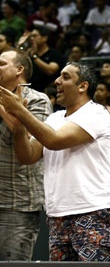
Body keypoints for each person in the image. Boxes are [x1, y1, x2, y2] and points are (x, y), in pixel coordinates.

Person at [0, 62, 110, 261]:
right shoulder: (54, 118)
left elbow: (55, 141)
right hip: (57, 214)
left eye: (65, 77)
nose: (57, 81)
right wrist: (19, 129)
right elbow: (28, 156)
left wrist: (20, 111)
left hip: (94, 210)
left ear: (83, 86)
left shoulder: (97, 113)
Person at [0, 49, 53, 261]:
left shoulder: (38, 101)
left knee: (12, 263)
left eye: (2, 64)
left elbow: (23, 132)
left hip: (17, 202)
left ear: (19, 69)